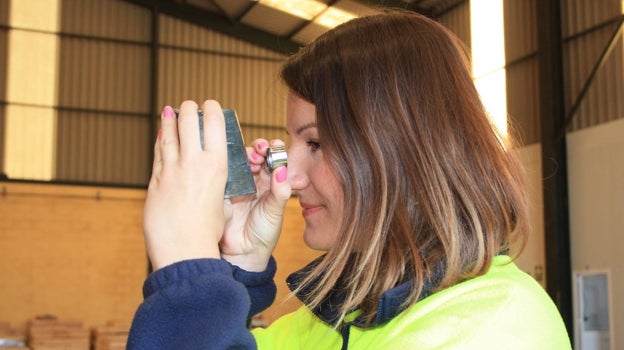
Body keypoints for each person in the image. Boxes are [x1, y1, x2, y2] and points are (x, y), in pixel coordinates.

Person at [127, 9, 571, 349]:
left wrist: (189, 274)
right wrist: (238, 268)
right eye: (290, 146)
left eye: (316, 144)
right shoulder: (344, 316)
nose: (292, 178)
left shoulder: (492, 326)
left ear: (401, 150)